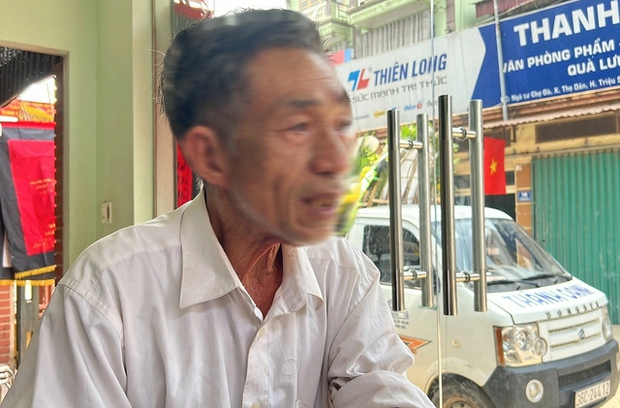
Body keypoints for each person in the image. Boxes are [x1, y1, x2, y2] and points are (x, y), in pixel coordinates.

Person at [2, 9, 434, 408]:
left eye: (340, 124)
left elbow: (382, 388)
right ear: (212, 156)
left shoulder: (345, 277)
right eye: (299, 126)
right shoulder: (106, 295)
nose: (336, 159)